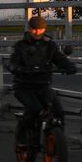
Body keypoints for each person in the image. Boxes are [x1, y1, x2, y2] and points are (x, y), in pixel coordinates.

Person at [8, 14, 77, 146]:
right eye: (34, 29)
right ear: (29, 29)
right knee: (34, 110)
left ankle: (58, 142)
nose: (37, 32)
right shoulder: (20, 46)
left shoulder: (50, 45)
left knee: (59, 112)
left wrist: (69, 66)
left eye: (40, 29)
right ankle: (22, 135)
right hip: (24, 87)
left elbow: (59, 58)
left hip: (43, 86)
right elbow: (13, 62)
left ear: (44, 29)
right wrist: (17, 68)